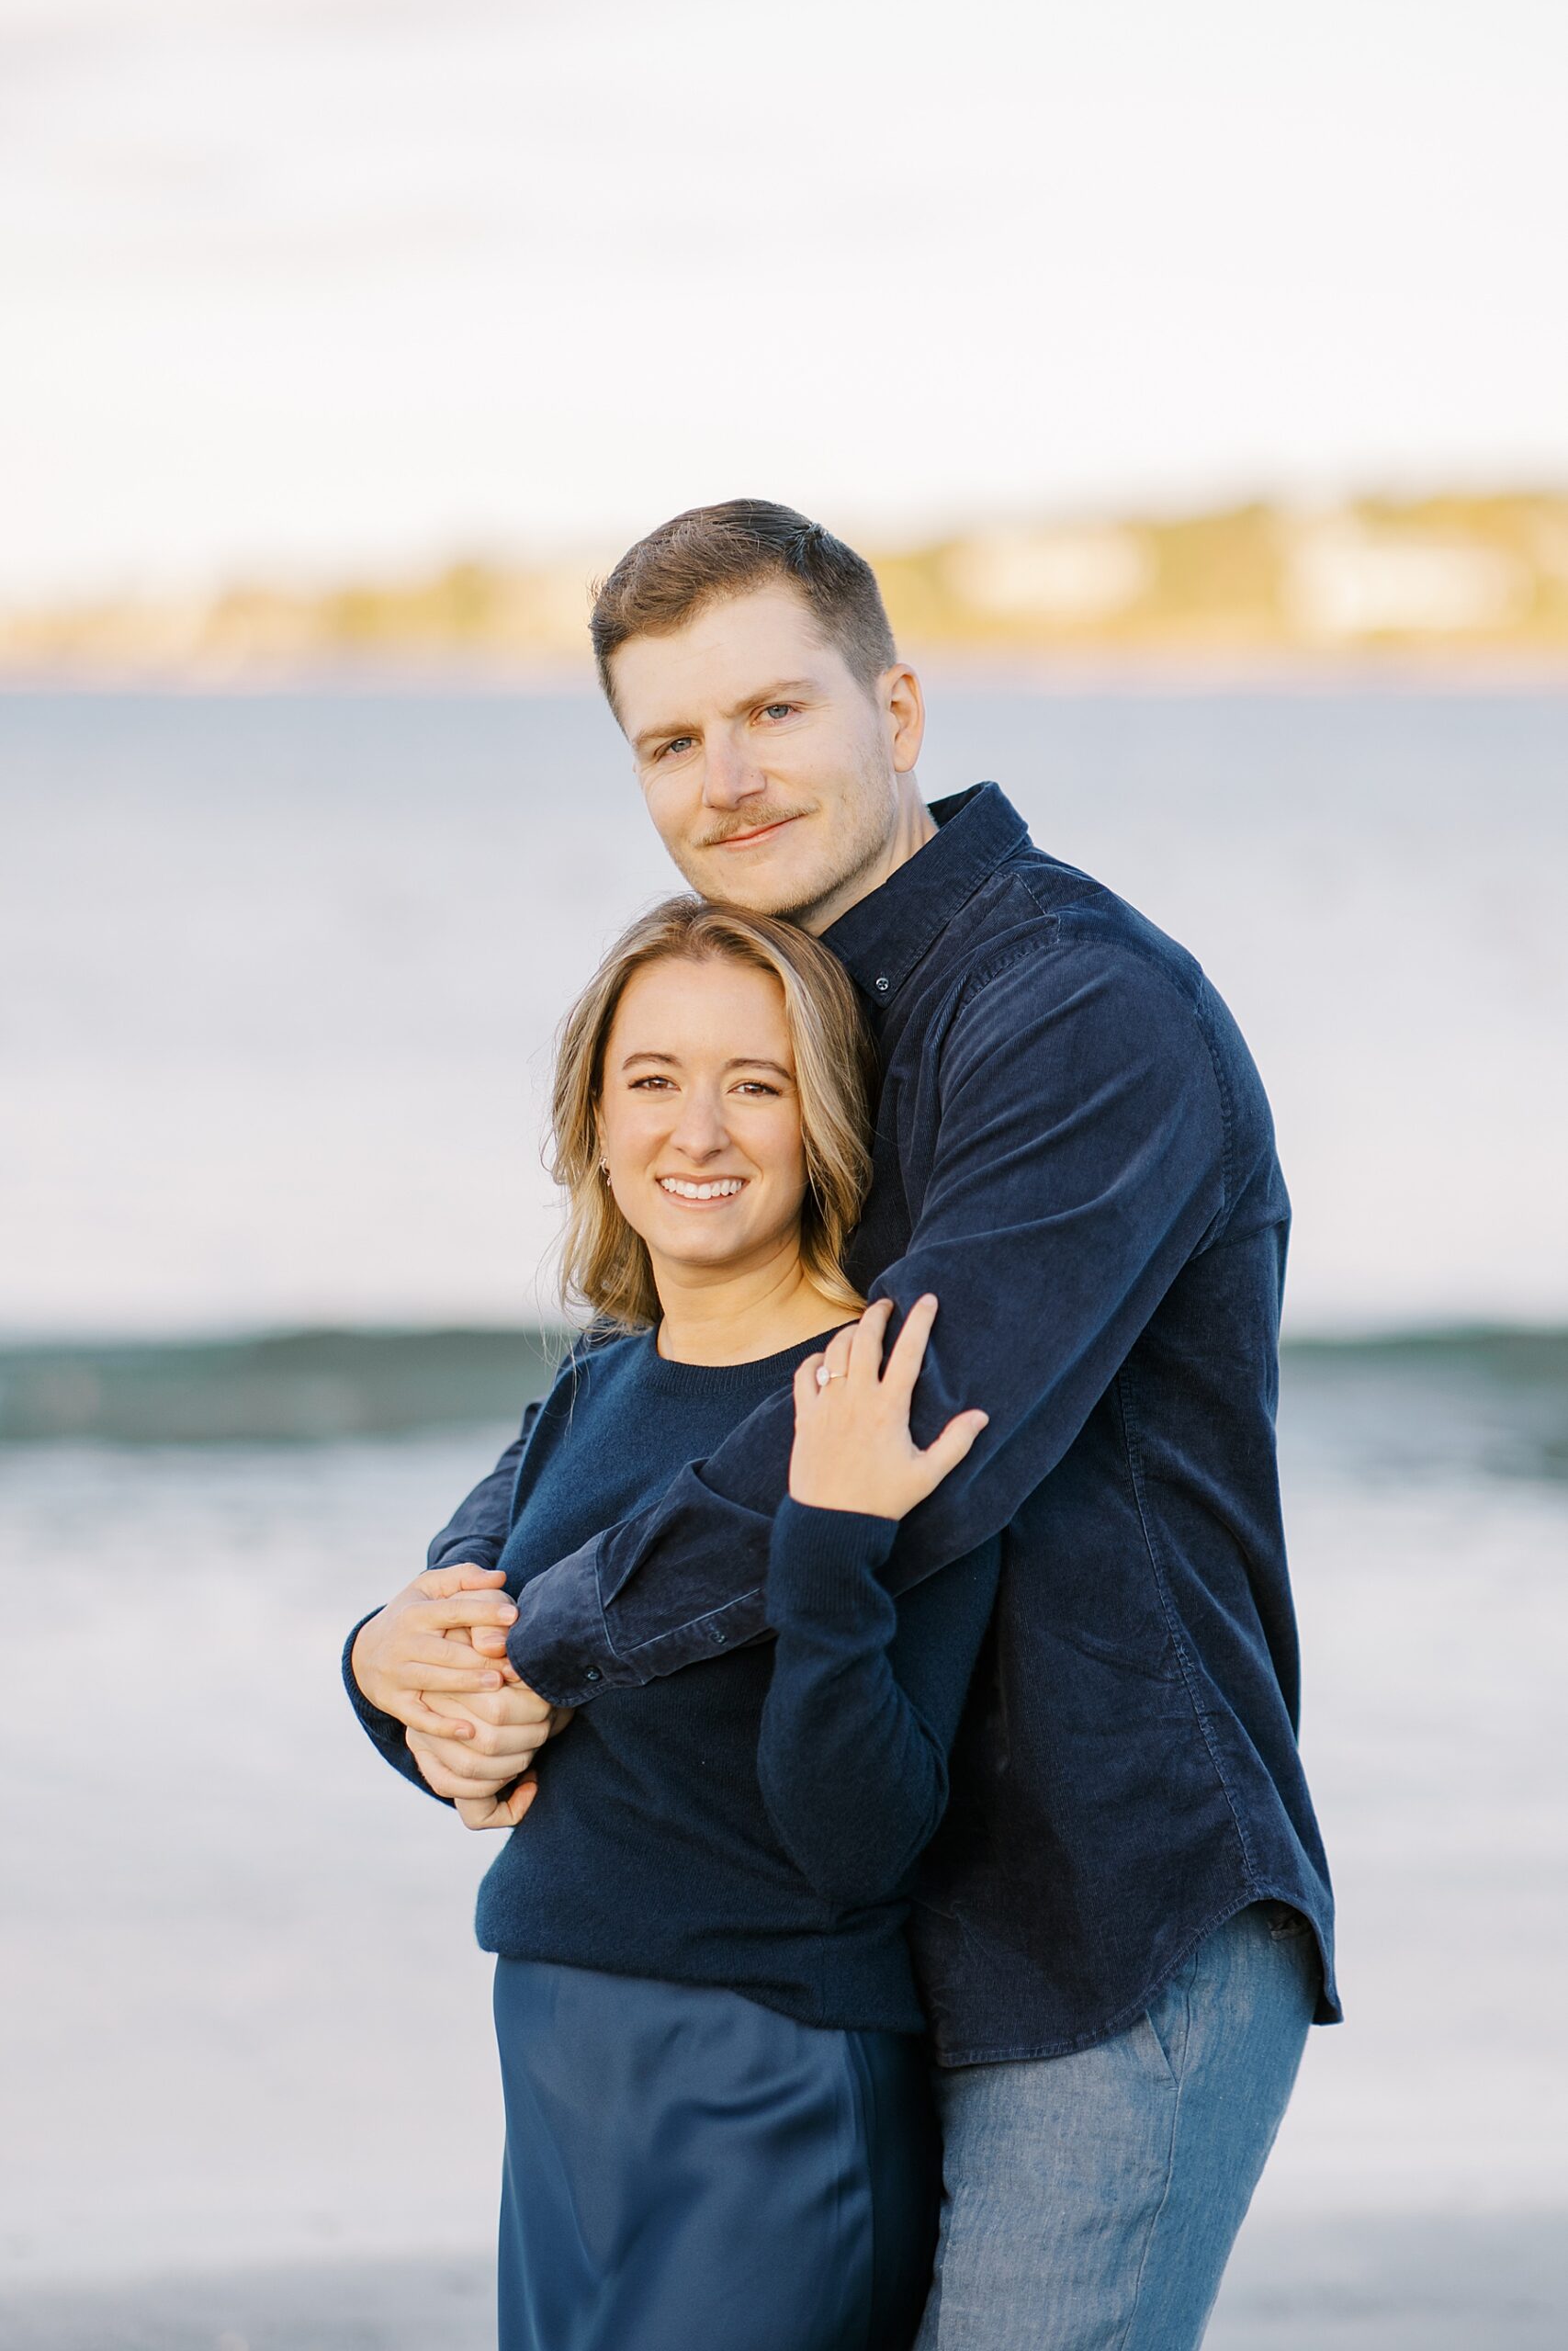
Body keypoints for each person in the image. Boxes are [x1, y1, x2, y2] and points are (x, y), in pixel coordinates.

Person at [360, 501, 1339, 2350]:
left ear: (893, 706)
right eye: (668, 740)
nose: (724, 779)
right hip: (839, 1921)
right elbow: (648, 1366)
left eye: (771, 712)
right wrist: (421, 1634)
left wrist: (534, 1654)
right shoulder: (786, 1012)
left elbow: (894, 1431)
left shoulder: (1078, 1008)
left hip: (1093, 1907)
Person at [345, 897, 998, 2350]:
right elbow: (467, 1664)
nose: (696, 1133)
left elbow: (864, 1837)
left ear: (822, 1119)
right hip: (560, 2047)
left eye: (753, 1085)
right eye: (653, 1081)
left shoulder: (884, 1389)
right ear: (593, 1115)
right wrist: (371, 1669)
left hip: (771, 2065)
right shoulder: (597, 1384)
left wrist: (826, 1546)